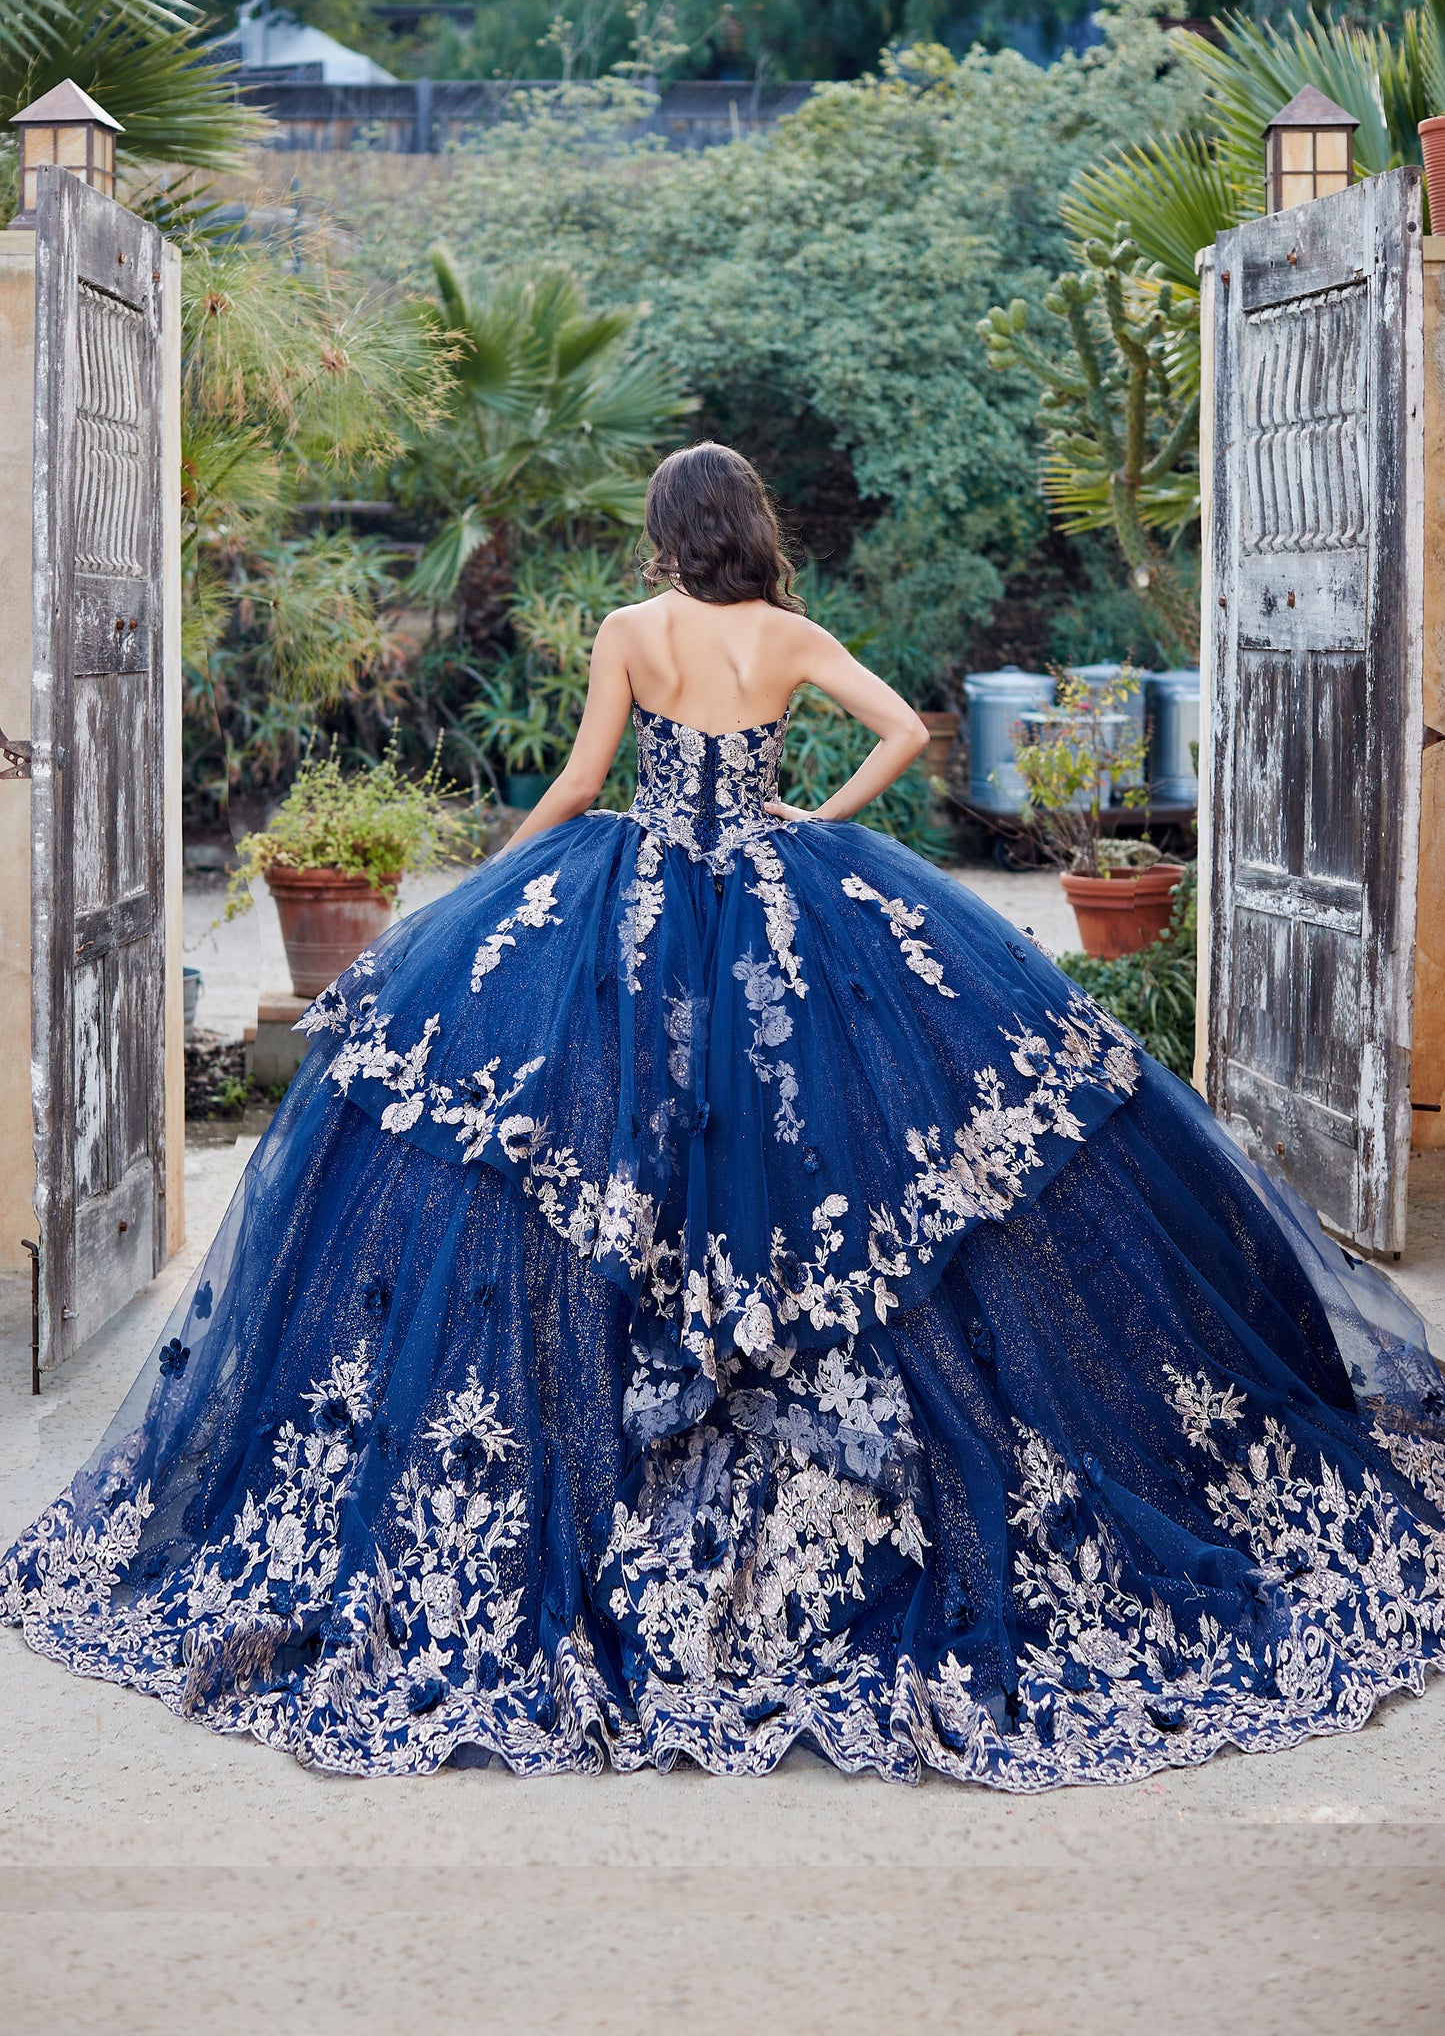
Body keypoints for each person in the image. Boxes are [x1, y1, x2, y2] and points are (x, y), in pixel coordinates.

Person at [6, 441, 1443, 1786]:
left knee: (600, 1162)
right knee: (845, 1163)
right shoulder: (791, 640)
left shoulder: (633, 632)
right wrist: (814, 826)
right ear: (750, 533)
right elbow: (903, 733)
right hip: (780, 893)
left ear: (663, 535)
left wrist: (482, 898)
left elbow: (582, 784)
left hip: (633, 918)